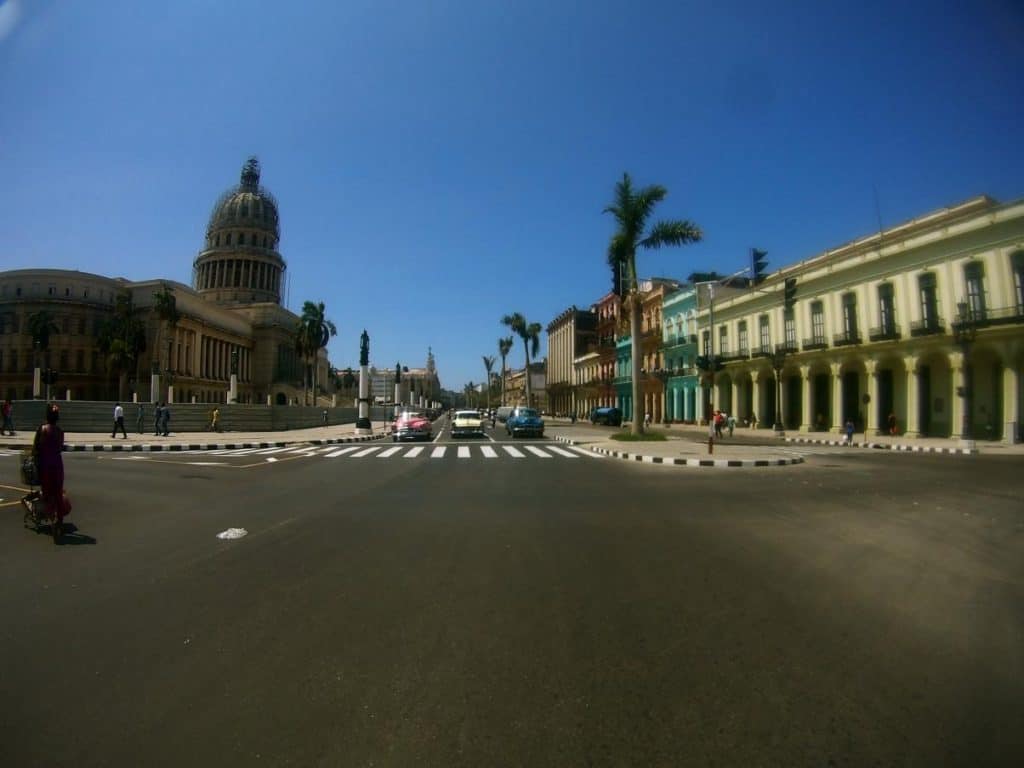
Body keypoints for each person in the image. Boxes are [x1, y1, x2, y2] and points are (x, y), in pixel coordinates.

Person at [33, 403, 69, 539]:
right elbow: (60, 448)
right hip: (58, 466)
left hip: (45, 466)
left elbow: (36, 448)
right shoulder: (60, 431)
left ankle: (51, 519)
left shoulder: (42, 429)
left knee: (47, 493)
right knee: (58, 494)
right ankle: (59, 522)